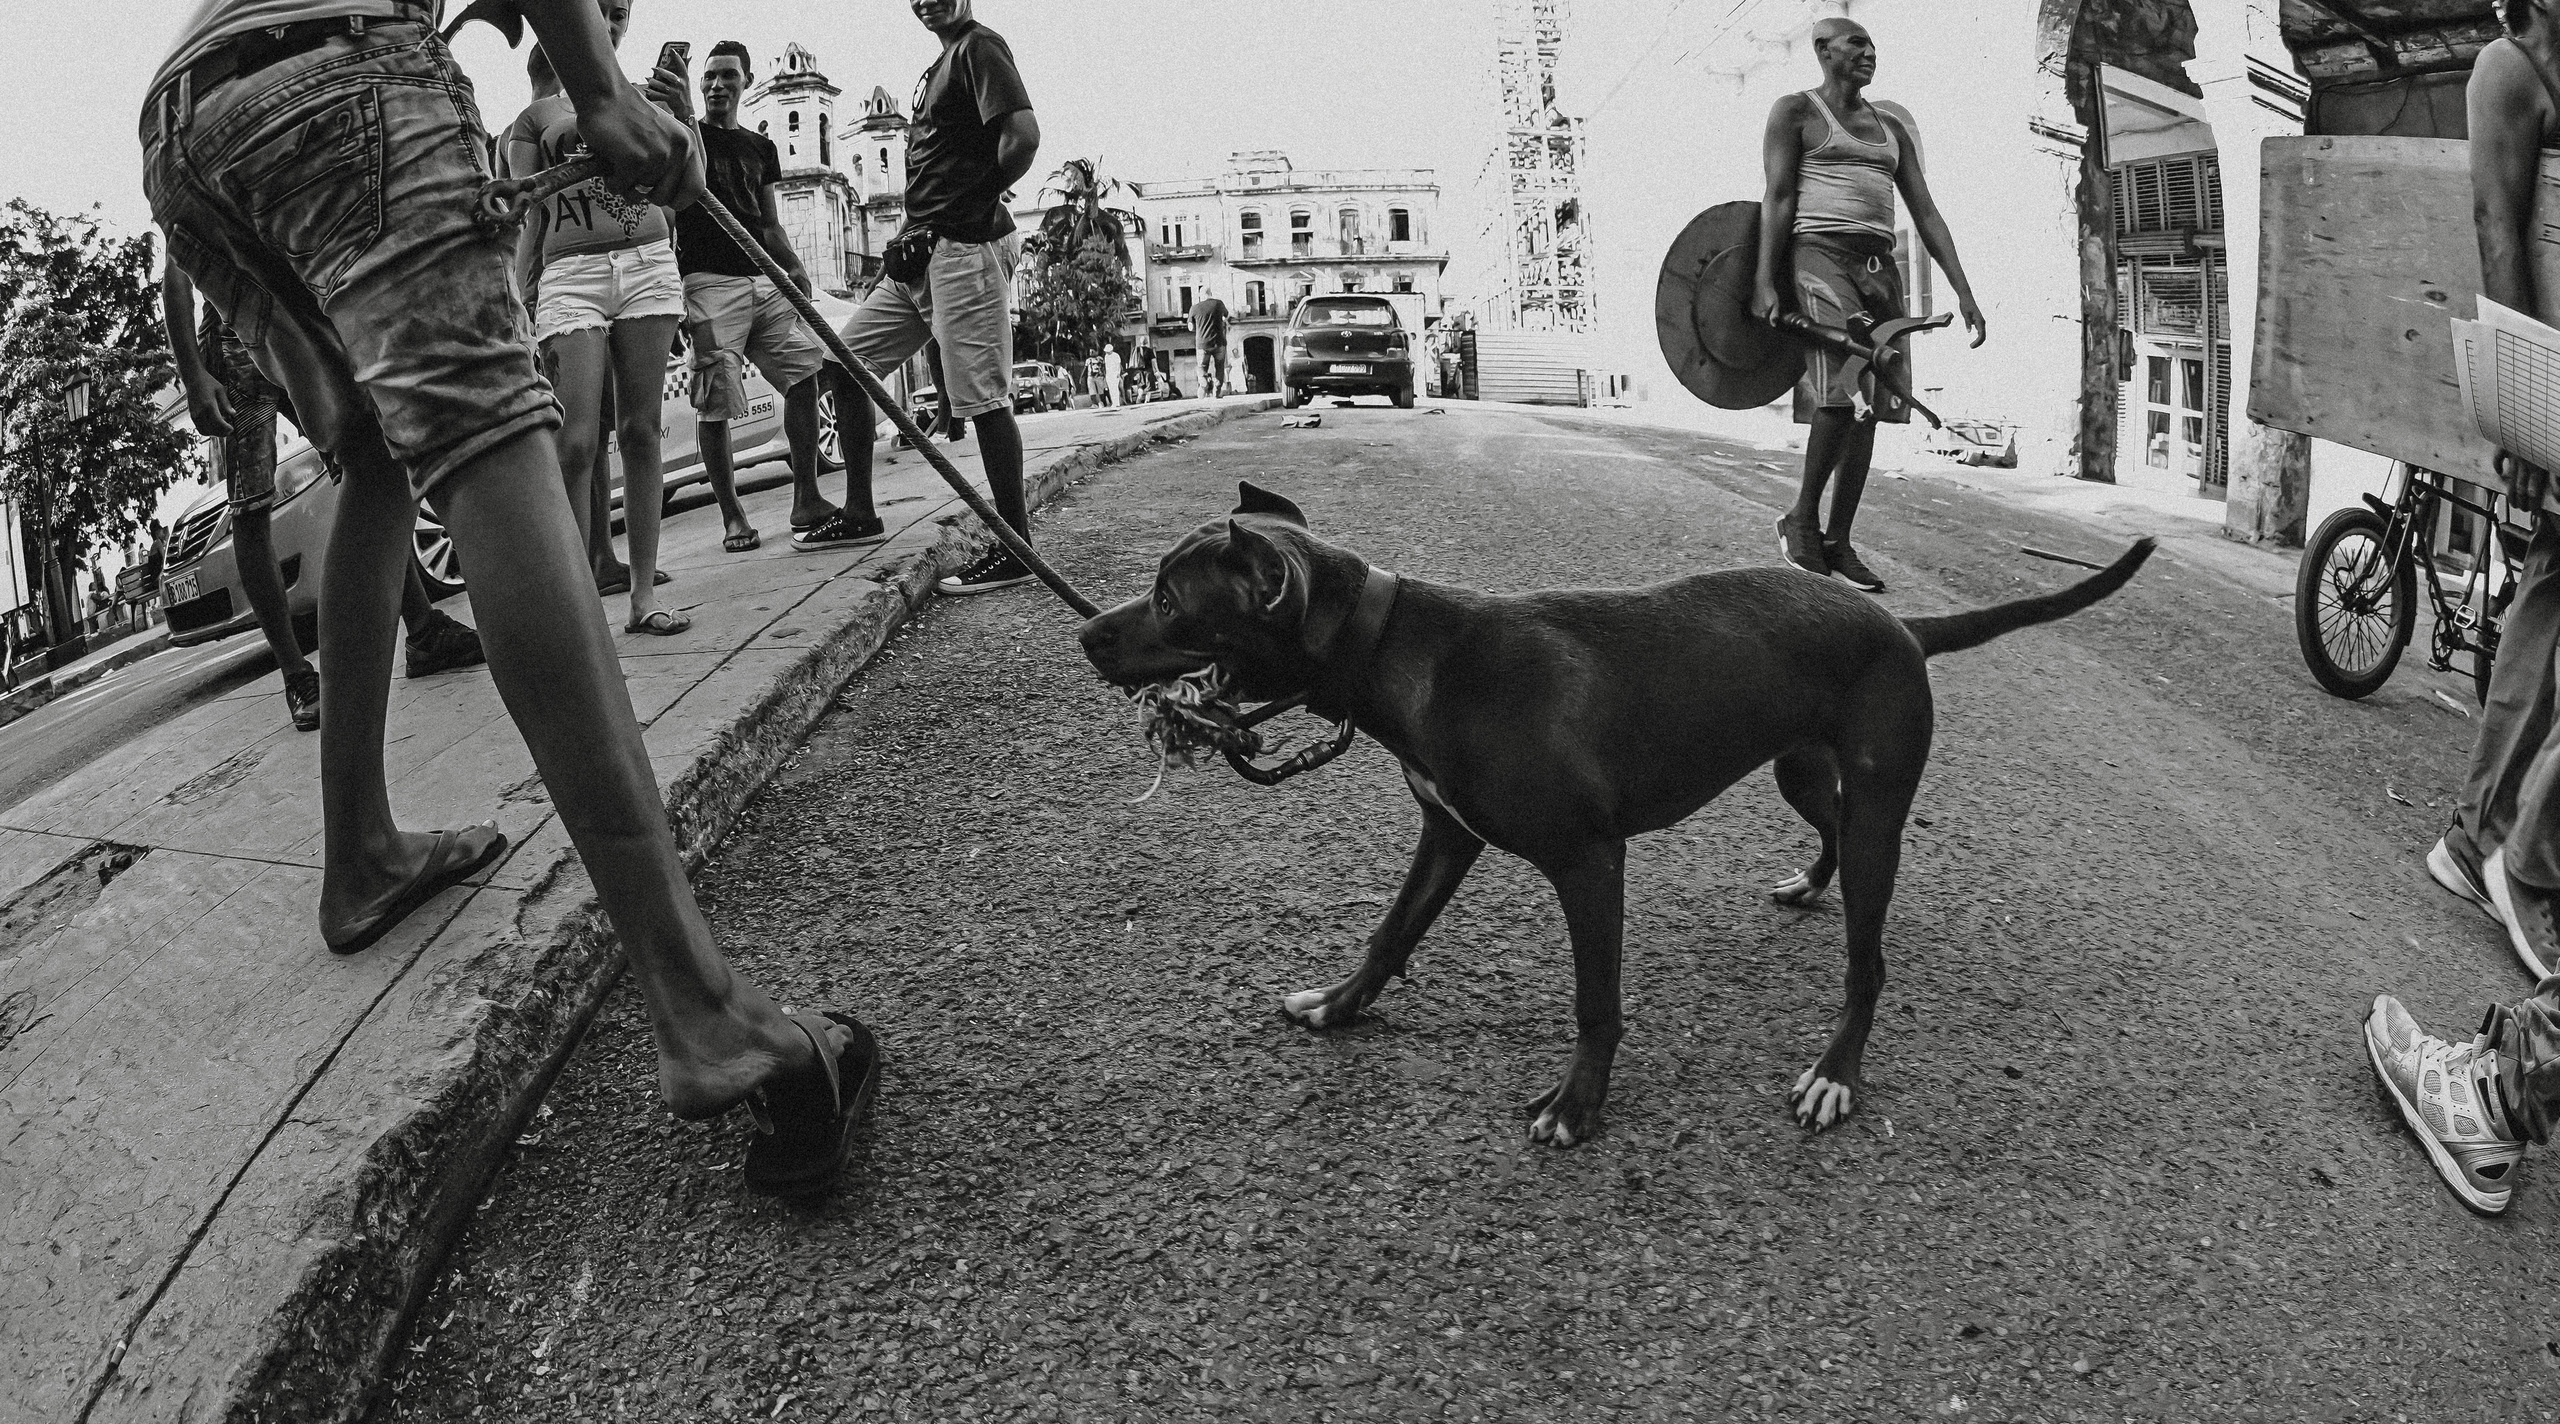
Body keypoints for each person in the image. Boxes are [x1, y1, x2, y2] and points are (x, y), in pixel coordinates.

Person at [144, 0, 874, 1194]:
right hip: (335, 75)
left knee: (377, 456)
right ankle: (705, 1009)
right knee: (493, 439)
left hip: (189, 127)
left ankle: (362, 855)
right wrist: (602, 87)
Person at [2365, 0, 2560, 1216]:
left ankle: (2502, 844)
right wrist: (2531, 405)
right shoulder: (2508, 63)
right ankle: (2493, 841)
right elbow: (2501, 234)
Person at [164, 270, 484, 731]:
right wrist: (193, 376)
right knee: (251, 505)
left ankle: (424, 630)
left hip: (292, 317)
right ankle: (298, 676)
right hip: (233, 338)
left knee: (369, 460)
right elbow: (176, 278)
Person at [812, 0, 1040, 596]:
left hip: (963, 249)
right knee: (842, 360)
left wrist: (966, 210)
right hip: (921, 254)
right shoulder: (940, 64)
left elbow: (1023, 137)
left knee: (984, 400)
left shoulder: (978, 48)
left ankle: (1016, 547)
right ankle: (860, 510)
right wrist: (913, 231)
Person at [1751, 16, 1984, 594]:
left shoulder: (1890, 127)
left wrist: (1964, 289)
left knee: (1874, 404)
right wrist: (1765, 280)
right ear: (1822, 51)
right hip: (1819, 259)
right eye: (1855, 43)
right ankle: (1801, 520)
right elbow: (1778, 200)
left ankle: (1839, 540)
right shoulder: (1795, 112)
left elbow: (1925, 212)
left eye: (1872, 44)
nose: (1869, 52)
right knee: (1839, 395)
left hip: (1881, 268)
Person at [647, 40, 876, 556]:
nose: (716, 84)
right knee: (715, 403)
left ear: (746, 82)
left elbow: (767, 222)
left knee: (805, 373)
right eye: (708, 77)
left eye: (728, 75)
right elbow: (675, 192)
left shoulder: (760, 147)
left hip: (763, 278)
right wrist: (680, 113)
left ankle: (807, 500)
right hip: (708, 282)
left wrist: (794, 267)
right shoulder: (685, 134)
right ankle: (732, 517)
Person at [505, 9, 688, 636]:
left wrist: (682, 118)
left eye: (619, 14)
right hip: (571, 273)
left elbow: (685, 188)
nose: (607, 23)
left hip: (646, 263)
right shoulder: (530, 119)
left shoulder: (637, 99)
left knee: (641, 432)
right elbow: (526, 214)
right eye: (599, 9)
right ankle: (580, 614)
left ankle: (642, 598)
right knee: (576, 440)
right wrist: (520, 295)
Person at [1190, 291, 1229, 399]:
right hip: (1219, 342)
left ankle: (1203, 381)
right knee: (1220, 367)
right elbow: (1226, 316)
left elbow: (1190, 327)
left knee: (1202, 366)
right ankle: (1217, 389)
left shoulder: (1194, 308)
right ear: (1210, 293)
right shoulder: (1218, 304)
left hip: (1202, 343)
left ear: (1200, 295)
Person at [1102, 342, 1123, 409]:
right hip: (1109, 374)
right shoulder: (1106, 356)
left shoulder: (1116, 355)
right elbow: (1106, 366)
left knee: (1115, 388)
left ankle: (1116, 402)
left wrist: (1118, 373)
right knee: (1111, 389)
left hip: (1115, 373)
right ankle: (1114, 402)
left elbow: (1118, 365)